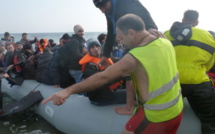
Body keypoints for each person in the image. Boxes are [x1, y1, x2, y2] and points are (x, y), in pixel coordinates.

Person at [43, 14, 183, 134]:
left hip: (155, 117)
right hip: (177, 110)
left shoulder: (134, 57)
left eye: (121, 37)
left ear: (132, 33)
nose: (121, 41)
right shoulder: (165, 42)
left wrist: (68, 91)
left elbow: (103, 77)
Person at [164, 10, 215, 134]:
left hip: (172, 82)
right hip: (198, 82)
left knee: (163, 117)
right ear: (196, 22)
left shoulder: (166, 34)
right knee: (210, 120)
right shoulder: (207, 35)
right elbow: (210, 63)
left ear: (182, 20)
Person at [92, 0, 164, 67]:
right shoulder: (108, 11)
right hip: (128, 43)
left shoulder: (126, 2)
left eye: (104, 5)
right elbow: (111, 31)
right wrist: (105, 54)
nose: (103, 10)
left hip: (139, 39)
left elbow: (142, 11)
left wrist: (151, 27)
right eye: (100, 8)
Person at [79, 39, 125, 105]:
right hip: (100, 97)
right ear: (89, 51)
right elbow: (99, 83)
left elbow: (116, 60)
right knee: (132, 94)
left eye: (97, 46)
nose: (96, 49)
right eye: (92, 47)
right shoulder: (90, 66)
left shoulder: (104, 58)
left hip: (108, 91)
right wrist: (120, 75)